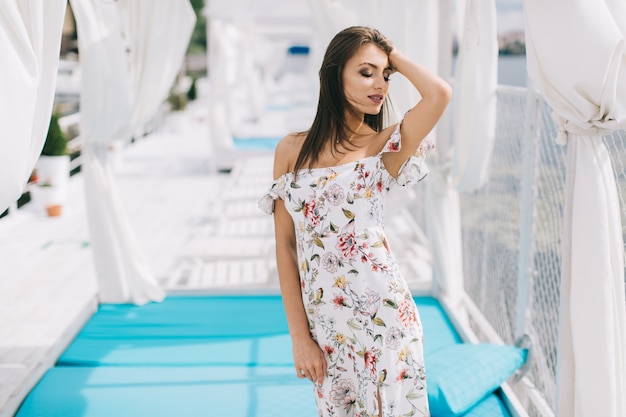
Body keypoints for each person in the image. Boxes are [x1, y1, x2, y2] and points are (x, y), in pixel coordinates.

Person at [259, 26, 451, 417]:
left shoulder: (383, 148)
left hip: (388, 316)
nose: (379, 84)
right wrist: (300, 337)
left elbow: (438, 94)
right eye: (366, 72)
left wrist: (388, 52)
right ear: (333, 74)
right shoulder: (290, 150)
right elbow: (285, 245)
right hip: (327, 324)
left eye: (385, 75)